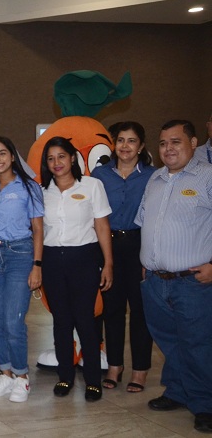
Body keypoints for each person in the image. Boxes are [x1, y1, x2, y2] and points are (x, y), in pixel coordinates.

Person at [137, 119, 212, 434]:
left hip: (192, 282)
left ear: (193, 143)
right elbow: (145, 221)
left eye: (176, 142)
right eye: (164, 142)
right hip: (155, 281)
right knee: (169, 340)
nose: (168, 148)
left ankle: (205, 403)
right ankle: (178, 391)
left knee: (197, 343)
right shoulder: (155, 178)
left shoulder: (207, 177)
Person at [39, 136, 113, 403]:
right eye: (50, 158)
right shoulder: (42, 191)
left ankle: (93, 380)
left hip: (84, 258)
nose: (56, 162)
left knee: (86, 320)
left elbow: (102, 226)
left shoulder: (92, 186)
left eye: (61, 156)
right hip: (52, 260)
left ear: (72, 158)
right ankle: (65, 376)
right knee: (61, 321)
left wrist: (108, 263)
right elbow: (38, 231)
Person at [0, 137, 44, 403]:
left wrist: (37, 265)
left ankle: (21, 377)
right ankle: (5, 372)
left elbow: (38, 229)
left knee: (13, 320)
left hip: (21, 254)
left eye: (2, 153)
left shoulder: (28, 187)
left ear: (13, 156)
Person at [91, 122, 156, 393]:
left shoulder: (154, 176)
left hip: (140, 245)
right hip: (108, 246)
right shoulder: (99, 174)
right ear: (113, 144)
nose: (125, 146)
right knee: (112, 309)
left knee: (140, 311)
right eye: (120, 140)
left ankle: (140, 370)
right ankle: (115, 366)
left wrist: (149, 259)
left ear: (141, 146)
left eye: (132, 141)